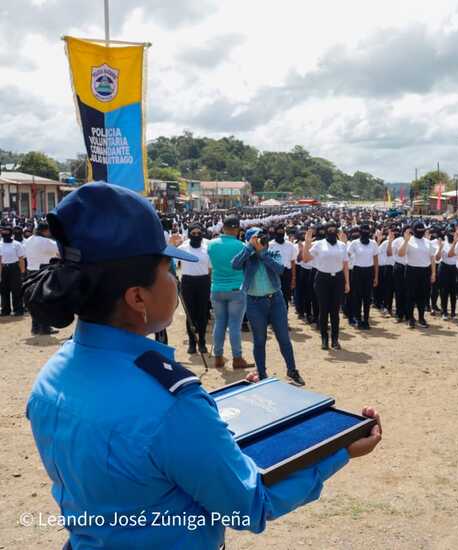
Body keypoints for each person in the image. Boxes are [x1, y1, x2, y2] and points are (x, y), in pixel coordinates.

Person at [22, 182, 381, 549]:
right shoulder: (171, 403)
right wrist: (339, 451)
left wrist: (241, 395)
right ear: (137, 297)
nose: (175, 279)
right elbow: (249, 505)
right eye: (168, 268)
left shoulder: (52, 375)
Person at [233, 227, 304, 385]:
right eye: (257, 239)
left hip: (276, 300)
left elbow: (280, 269)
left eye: (262, 238)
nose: (262, 241)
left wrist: (262, 253)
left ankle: (292, 370)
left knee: (284, 338)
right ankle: (262, 374)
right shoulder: (246, 256)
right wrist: (249, 248)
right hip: (254, 302)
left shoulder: (272, 252)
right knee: (259, 340)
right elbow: (235, 265)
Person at [207, 216, 254, 370]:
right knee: (234, 325)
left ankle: (218, 357)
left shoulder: (211, 245)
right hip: (236, 289)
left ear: (223, 227)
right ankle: (237, 358)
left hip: (217, 288)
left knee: (219, 323)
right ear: (237, 229)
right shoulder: (241, 245)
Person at [304, 223, 350, 350]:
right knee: (323, 310)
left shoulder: (342, 245)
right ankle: (324, 339)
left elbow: (345, 264)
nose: (331, 231)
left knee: (335, 311)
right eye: (329, 229)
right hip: (322, 279)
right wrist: (307, 244)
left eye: (334, 229)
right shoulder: (319, 244)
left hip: (338, 279)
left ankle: (335, 340)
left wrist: (347, 282)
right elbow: (306, 259)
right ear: (324, 231)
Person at [177, 224, 212, 354]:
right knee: (190, 314)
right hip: (187, 282)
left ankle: (202, 342)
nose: (196, 235)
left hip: (203, 281)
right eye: (193, 233)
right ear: (189, 234)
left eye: (199, 233)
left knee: (202, 313)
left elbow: (210, 267)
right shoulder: (183, 247)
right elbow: (172, 262)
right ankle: (192, 343)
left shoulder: (207, 248)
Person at [22, 221, 59, 334]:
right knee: (45, 300)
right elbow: (60, 252)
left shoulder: (27, 241)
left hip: (30, 272)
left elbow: (23, 255)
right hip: (44, 271)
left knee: (33, 300)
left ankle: (35, 327)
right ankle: (45, 327)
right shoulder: (47, 242)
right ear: (45, 231)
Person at [399, 221, 436, 329]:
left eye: (422, 230)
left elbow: (432, 258)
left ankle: (421, 318)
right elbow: (401, 254)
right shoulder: (409, 241)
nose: (420, 231)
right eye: (418, 229)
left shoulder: (427, 242)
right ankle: (410, 318)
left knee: (423, 296)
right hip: (411, 271)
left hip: (425, 271)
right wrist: (406, 241)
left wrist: (433, 273)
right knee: (410, 296)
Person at [347, 223, 379, 329]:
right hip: (357, 271)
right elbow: (347, 256)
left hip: (369, 271)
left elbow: (375, 260)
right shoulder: (354, 243)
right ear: (359, 232)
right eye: (363, 230)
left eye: (367, 230)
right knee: (357, 297)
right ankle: (358, 319)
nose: (365, 233)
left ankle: (366, 319)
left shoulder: (373, 243)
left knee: (367, 297)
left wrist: (376, 276)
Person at [268, 223, 297, 315]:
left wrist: (293, 278)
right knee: (272, 296)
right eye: (278, 231)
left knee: (285, 297)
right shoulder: (270, 245)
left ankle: (284, 318)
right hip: (274, 273)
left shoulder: (290, 245)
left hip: (286, 273)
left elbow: (293, 262)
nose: (280, 233)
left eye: (282, 231)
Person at [0, 224, 26, 316]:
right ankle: (5, 310)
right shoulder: (0, 244)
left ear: (11, 233)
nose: (4, 233)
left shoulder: (17, 244)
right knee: (4, 290)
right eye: (3, 231)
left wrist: (22, 272)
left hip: (14, 268)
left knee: (16, 290)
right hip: (3, 269)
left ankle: (18, 309)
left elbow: (21, 259)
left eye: (6, 231)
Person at [437, 225, 458, 320]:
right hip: (444, 268)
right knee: (444, 291)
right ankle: (444, 311)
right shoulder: (443, 243)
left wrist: (455, 242)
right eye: (450, 232)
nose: (452, 234)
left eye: (454, 232)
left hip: (455, 268)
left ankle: (453, 312)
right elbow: (444, 256)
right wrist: (440, 248)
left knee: (453, 291)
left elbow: (454, 254)